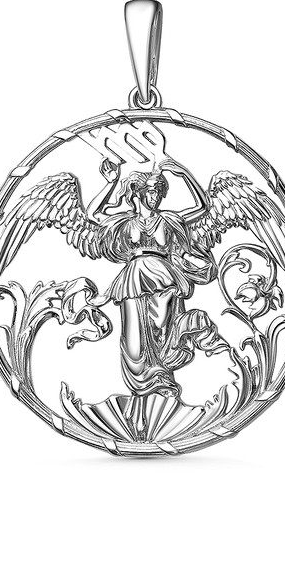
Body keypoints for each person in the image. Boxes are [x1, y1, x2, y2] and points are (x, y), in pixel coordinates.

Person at [87, 158, 224, 403]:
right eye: (151, 191)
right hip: (132, 280)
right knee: (134, 344)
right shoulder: (125, 222)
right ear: (138, 193)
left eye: (159, 192)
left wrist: (185, 174)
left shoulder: (169, 219)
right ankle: (144, 388)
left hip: (164, 278)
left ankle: (165, 380)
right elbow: (92, 214)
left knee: (163, 333)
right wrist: (111, 182)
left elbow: (203, 206)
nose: (156, 197)